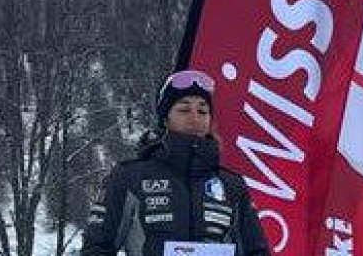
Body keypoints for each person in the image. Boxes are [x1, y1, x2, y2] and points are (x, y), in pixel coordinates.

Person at [81, 69, 270, 256]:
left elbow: (257, 251)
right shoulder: (129, 177)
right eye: (184, 110)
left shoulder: (232, 185)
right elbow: (96, 248)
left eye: (203, 111)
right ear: (165, 118)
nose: (195, 118)